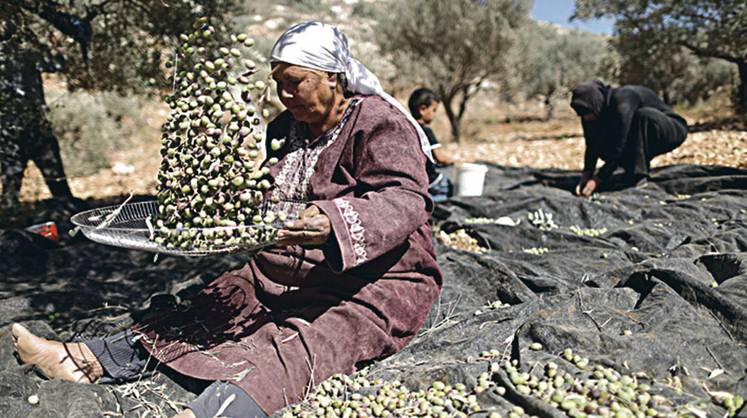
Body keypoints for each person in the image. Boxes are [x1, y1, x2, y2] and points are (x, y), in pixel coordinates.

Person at [11, 21, 442, 418]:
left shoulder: (378, 123)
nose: (285, 95)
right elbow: (265, 188)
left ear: (332, 77)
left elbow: (404, 198)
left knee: (313, 339)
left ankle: (212, 412)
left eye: (295, 82)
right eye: (278, 84)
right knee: (213, 303)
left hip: (374, 279)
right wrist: (223, 197)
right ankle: (84, 360)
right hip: (285, 271)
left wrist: (331, 221)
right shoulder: (285, 128)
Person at [0, 6, 77, 210]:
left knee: (52, 185)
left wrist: (56, 44)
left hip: (21, 130)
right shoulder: (27, 51)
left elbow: (57, 63)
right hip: (17, 131)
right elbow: (58, 63)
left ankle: (68, 217)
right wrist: (57, 44)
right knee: (14, 188)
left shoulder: (26, 51)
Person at [570, 80, 688, 197]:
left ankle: (638, 175)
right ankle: (631, 171)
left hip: (671, 129)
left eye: (587, 113)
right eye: (582, 114)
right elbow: (592, 144)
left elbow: (619, 145)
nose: (586, 117)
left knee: (643, 116)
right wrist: (586, 175)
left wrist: (597, 180)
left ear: (595, 102)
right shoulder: (591, 108)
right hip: (639, 133)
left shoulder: (623, 100)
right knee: (605, 139)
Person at [408, 87, 454, 202]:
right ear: (423, 109)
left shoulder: (407, 128)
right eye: (434, 110)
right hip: (431, 182)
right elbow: (439, 157)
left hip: (415, 182)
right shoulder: (426, 131)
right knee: (448, 182)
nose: (434, 114)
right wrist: (455, 161)